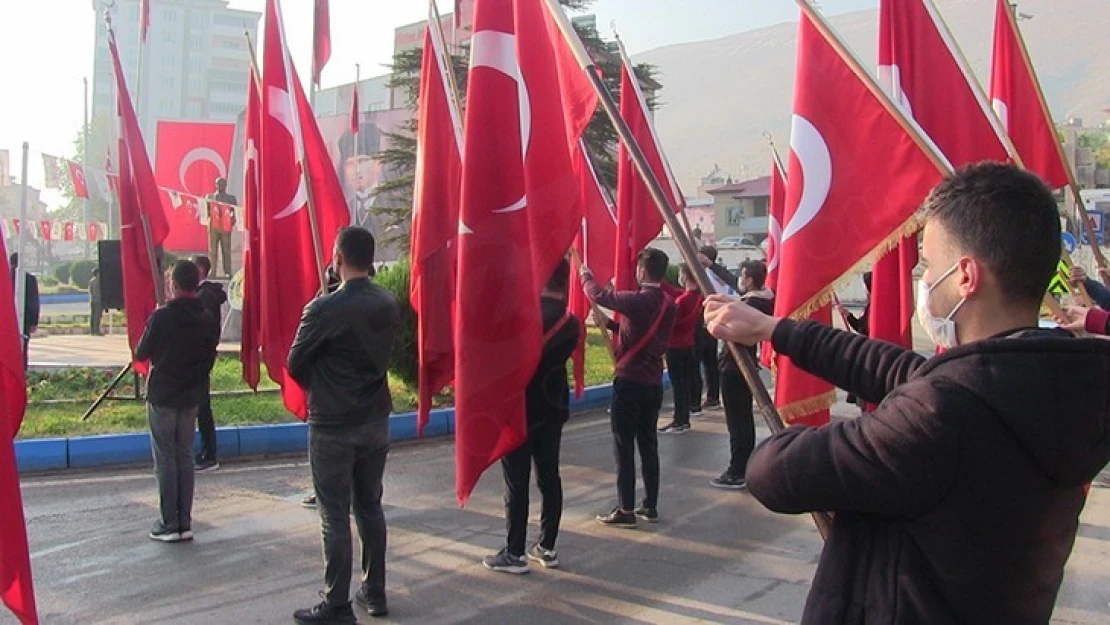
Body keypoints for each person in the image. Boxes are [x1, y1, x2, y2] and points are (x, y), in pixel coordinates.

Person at [703, 163, 1110, 624]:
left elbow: (772, 472)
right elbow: (906, 371)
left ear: (966, 277)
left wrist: (868, 431)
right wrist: (776, 330)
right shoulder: (1055, 387)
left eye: (929, 265)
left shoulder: (942, 416)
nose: (924, 278)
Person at [289, 227, 398, 623]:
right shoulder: (388, 302)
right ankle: (375, 591)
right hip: (374, 419)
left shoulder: (322, 309)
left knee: (334, 514)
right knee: (369, 506)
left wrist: (324, 384)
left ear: (336, 258)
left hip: (333, 424)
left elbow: (294, 363)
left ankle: (337, 604)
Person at [483, 260, 580, 574]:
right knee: (549, 477)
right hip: (552, 409)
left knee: (517, 482)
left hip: (519, 410)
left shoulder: (522, 315)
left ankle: (514, 553)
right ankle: (547, 546)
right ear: (566, 282)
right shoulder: (572, 322)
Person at [579, 248, 676, 528]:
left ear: (643, 272)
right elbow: (637, 333)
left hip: (630, 381)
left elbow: (598, 295)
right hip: (653, 381)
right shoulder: (670, 304)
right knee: (648, 443)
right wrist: (609, 324)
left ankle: (625, 508)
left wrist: (585, 276)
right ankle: (650, 504)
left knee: (623, 445)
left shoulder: (638, 299)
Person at [135, 260, 220, 543]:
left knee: (166, 458)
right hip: (191, 393)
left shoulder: (162, 317)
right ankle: (184, 520)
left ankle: (168, 521)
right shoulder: (206, 317)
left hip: (163, 394)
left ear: (173, 283)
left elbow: (141, 351)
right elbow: (210, 355)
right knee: (184, 455)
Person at [702, 259, 773, 491]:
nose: (739, 280)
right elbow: (735, 286)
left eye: (743, 277)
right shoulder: (762, 299)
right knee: (743, 419)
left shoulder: (751, 304)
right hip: (743, 366)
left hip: (735, 368)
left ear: (750, 280)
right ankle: (744, 465)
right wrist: (712, 265)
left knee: (737, 421)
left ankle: (737, 470)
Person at [192, 255, 227, 473]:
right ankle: (206, 451)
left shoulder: (204, 296)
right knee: (199, 405)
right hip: (202, 356)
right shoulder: (205, 294)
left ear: (201, 270)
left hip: (200, 358)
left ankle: (210, 453)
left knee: (201, 406)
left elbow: (203, 330)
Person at [659, 265, 702, 434]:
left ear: (685, 276)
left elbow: (671, 323)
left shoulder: (682, 300)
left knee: (678, 385)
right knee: (684, 382)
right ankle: (684, 418)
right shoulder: (697, 296)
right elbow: (675, 291)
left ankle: (680, 420)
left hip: (675, 345)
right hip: (688, 344)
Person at [692, 246, 723, 412]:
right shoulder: (708, 274)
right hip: (706, 323)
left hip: (706, 323)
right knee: (708, 362)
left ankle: (710, 396)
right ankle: (712, 395)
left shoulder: (711, 276)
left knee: (707, 361)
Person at [9, 253, 39, 368]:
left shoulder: (5, 278)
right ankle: (22, 371)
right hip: (25, 319)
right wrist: (34, 322)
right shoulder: (30, 279)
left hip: (6, 319)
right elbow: (33, 301)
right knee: (23, 347)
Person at [206, 178, 237, 278]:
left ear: (226, 185)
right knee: (213, 250)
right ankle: (212, 270)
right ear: (215, 185)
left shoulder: (231, 198)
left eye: (223, 184)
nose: (221, 186)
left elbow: (234, 212)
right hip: (213, 227)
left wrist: (232, 220)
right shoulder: (209, 197)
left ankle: (227, 271)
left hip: (225, 227)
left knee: (226, 250)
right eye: (219, 184)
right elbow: (206, 211)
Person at [89, 268, 104, 336]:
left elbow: (91, 291)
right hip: (98, 300)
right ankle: (97, 331)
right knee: (97, 316)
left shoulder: (91, 281)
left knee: (93, 316)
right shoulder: (99, 281)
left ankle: (92, 331)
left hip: (93, 300)